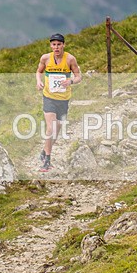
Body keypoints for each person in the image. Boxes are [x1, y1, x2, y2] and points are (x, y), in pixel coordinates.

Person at [35, 33, 82, 172]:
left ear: (63, 45)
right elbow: (39, 71)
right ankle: (47, 161)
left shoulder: (70, 59)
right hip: (49, 97)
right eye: (54, 45)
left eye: (59, 44)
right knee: (51, 128)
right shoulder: (45, 58)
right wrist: (39, 81)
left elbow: (79, 76)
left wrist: (71, 81)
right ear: (51, 46)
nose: (56, 47)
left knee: (57, 130)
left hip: (63, 99)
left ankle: (44, 150)